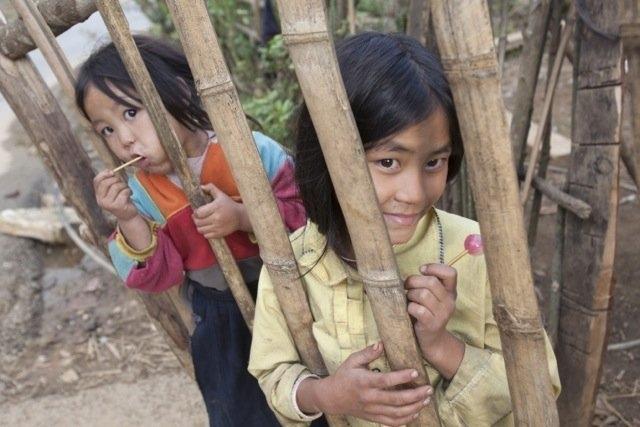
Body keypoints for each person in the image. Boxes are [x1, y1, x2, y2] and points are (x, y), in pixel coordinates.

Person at [248, 32, 561, 426]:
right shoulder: (296, 263)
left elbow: (541, 386)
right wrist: (326, 394)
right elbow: (273, 373)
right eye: (389, 162)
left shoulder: (476, 251)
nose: (413, 194)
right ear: (329, 153)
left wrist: (442, 346)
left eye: (434, 162)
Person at [75, 35, 301, 426]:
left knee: (311, 397)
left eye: (131, 113)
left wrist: (244, 217)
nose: (124, 139)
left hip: (289, 295)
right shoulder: (140, 192)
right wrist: (128, 219)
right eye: (106, 130)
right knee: (238, 413)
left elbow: (308, 222)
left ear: (177, 89)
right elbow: (158, 277)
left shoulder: (250, 150)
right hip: (220, 317)